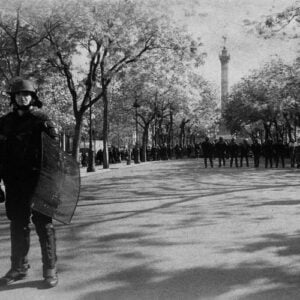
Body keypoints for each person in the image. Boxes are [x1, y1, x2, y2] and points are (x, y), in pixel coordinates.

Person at [0, 78, 58, 287]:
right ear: (13, 98)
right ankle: (19, 267)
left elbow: (53, 155)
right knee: (18, 225)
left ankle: (50, 269)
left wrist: (52, 182)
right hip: (15, 183)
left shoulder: (41, 120)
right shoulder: (4, 122)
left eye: (27, 94)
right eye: (18, 94)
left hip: (39, 181)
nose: (22, 97)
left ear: (33, 97)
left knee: (44, 225)